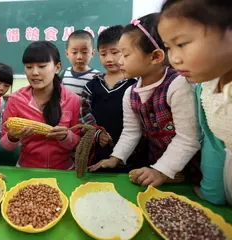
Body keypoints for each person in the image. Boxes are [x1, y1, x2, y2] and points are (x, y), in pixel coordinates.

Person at [89, 13, 201, 187]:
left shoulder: (178, 86)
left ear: (155, 56)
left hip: (188, 172)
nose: (119, 61)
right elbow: (131, 131)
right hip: (155, 168)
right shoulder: (130, 93)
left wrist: (162, 170)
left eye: (125, 55)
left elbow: (188, 139)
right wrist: (115, 157)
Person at [158, 0, 232, 205]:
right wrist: (212, 197)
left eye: (181, 44)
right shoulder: (204, 86)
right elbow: (215, 145)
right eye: (168, 47)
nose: (174, 59)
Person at [0, 41, 80, 169]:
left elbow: (78, 143)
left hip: (64, 170)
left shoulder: (73, 100)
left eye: (42, 66)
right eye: (29, 67)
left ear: (57, 67)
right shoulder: (15, 100)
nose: (34, 72)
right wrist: (12, 137)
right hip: (27, 169)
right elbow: (4, 145)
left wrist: (66, 136)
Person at [80, 25, 144, 172]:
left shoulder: (135, 85)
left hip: (131, 156)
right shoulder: (91, 85)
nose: (109, 59)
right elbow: (84, 115)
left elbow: (139, 123)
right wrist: (97, 134)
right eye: (103, 54)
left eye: (115, 52)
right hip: (96, 152)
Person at [61, 30, 99, 96]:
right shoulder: (63, 74)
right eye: (74, 52)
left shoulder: (97, 77)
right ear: (67, 54)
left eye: (84, 52)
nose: (79, 57)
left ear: (92, 53)